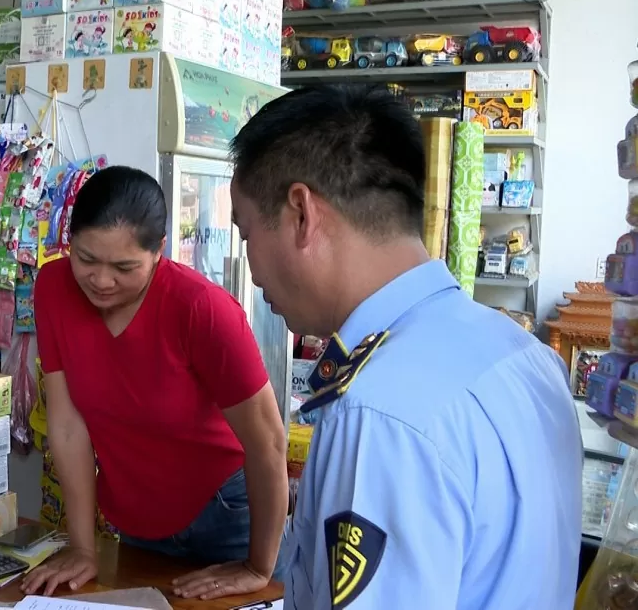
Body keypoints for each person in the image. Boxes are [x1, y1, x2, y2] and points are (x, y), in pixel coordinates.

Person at [229, 84, 582, 608]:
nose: (252, 268)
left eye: (247, 234)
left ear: (302, 214)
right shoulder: (524, 353)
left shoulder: (377, 412)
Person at [22, 166, 288, 601]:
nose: (101, 281)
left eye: (124, 267)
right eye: (86, 259)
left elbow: (268, 442)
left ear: (160, 252)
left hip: (227, 514)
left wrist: (259, 567)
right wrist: (83, 546)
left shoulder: (201, 309)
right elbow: (68, 425)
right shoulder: (53, 288)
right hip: (137, 517)